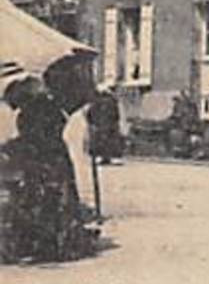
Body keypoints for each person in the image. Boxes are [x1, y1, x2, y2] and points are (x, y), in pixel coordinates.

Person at [5, 75, 92, 262]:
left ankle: (45, 247)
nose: (14, 107)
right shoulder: (51, 107)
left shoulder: (31, 112)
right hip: (57, 160)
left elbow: (33, 139)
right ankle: (60, 243)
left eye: (14, 102)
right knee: (59, 202)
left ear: (22, 97)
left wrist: (9, 146)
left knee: (43, 203)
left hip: (44, 162)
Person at [85, 87, 124, 167]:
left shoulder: (96, 101)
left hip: (100, 125)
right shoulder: (113, 101)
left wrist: (92, 122)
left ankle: (102, 157)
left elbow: (90, 114)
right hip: (110, 125)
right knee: (111, 140)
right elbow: (116, 115)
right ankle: (113, 157)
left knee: (100, 140)